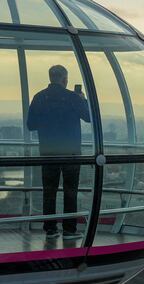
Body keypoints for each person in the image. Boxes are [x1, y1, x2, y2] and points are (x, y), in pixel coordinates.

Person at [26, 65, 91, 240]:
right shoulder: (72, 98)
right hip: (71, 152)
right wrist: (82, 99)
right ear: (64, 79)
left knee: (49, 191)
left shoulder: (39, 97)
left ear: (51, 77)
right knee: (70, 191)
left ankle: (50, 229)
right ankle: (70, 230)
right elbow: (89, 117)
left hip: (48, 152)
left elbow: (31, 125)